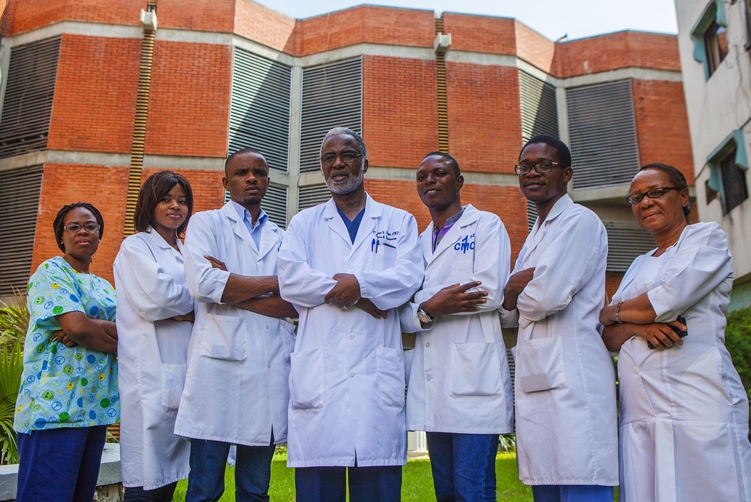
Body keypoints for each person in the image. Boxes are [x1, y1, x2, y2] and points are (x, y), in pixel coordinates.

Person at [277, 127, 423, 502]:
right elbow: (291, 281)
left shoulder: (399, 221)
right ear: (322, 168)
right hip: (320, 381)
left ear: (365, 162)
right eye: (329, 158)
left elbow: (407, 278)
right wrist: (357, 294)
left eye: (347, 154)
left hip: (376, 381)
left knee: (377, 487)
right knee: (317, 488)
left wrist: (357, 284)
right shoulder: (304, 224)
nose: (338, 163)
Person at [600, 163, 751, 502]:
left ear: (683, 196)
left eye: (656, 192)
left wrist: (614, 312)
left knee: (711, 489)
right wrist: (639, 326)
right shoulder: (638, 264)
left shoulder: (705, 238)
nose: (646, 202)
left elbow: (664, 302)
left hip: (696, 395)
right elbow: (607, 337)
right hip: (641, 410)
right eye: (636, 197)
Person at [174, 148, 297, 502]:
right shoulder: (205, 223)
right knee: (204, 490)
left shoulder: (284, 235)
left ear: (269, 180)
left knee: (256, 491)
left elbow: (297, 302)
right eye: (242, 172)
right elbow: (204, 286)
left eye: (259, 171)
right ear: (226, 182)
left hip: (268, 372)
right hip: (218, 377)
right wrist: (274, 282)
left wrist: (231, 282)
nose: (251, 178)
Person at [502, 135, 618, 501]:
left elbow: (544, 298)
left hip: (574, 377)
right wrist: (514, 288)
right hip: (540, 377)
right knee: (547, 482)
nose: (532, 173)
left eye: (543, 165)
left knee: (582, 476)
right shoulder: (537, 234)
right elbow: (510, 307)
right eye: (525, 166)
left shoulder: (580, 221)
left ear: (566, 173)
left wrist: (519, 290)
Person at [399, 152, 512, 501]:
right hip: (434, 384)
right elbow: (403, 311)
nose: (429, 180)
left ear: (459, 182)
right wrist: (431, 307)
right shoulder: (418, 243)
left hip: (475, 383)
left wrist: (426, 305)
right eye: (422, 176)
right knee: (445, 493)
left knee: (472, 490)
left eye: (439, 173)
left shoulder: (486, 225)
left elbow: (489, 291)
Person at [14, 202, 118, 502]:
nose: (82, 231)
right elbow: (77, 327)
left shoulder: (104, 286)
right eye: (73, 227)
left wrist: (90, 327)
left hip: (94, 408)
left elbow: (105, 328)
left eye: (90, 226)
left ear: (99, 235)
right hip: (53, 409)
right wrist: (94, 332)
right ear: (62, 237)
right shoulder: (51, 271)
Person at [114, 171, 195, 501]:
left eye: (182, 200)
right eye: (166, 199)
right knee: (146, 479)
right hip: (150, 371)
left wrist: (188, 305)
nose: (176, 206)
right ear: (149, 203)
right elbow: (160, 299)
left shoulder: (185, 250)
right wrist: (195, 302)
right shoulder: (135, 246)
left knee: (169, 479)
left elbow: (202, 295)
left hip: (183, 372)